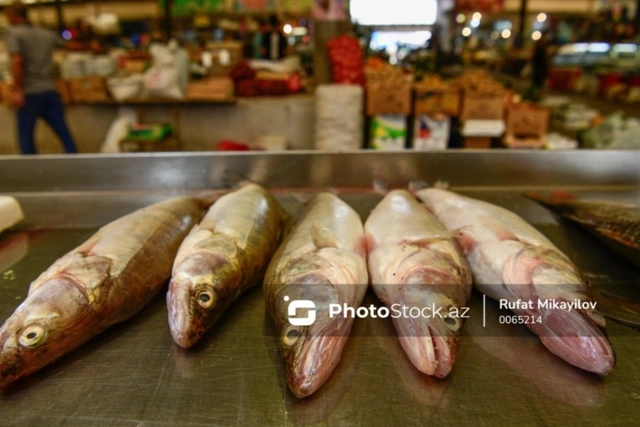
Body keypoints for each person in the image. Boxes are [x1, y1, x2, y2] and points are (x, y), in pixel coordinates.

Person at [4, 1, 78, 154]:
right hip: (50, 89)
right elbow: (67, 45)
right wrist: (93, 46)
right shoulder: (45, 33)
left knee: (26, 137)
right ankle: (76, 161)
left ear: (12, 16)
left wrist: (17, 90)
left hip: (30, 91)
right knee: (63, 133)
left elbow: (17, 60)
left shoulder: (13, 33)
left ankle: (30, 172)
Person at [529, 30, 551, 100]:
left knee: (540, 83)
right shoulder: (538, 45)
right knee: (536, 83)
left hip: (541, 67)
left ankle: (537, 97)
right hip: (538, 67)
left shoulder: (544, 45)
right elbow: (532, 55)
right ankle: (535, 96)